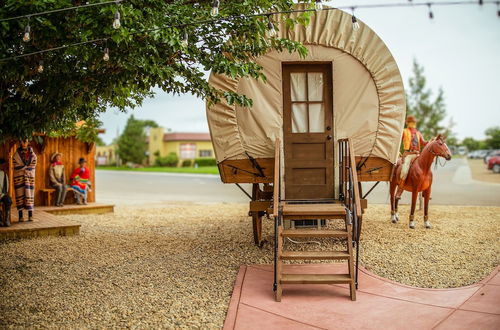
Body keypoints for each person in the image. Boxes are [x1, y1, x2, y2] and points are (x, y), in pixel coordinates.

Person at [398, 115, 428, 189]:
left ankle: (425, 187)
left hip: (417, 154)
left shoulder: (418, 133)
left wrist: (430, 142)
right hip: (408, 154)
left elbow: (423, 143)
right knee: (404, 170)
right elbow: (398, 142)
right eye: (412, 122)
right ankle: (401, 185)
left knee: (426, 168)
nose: (413, 123)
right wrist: (397, 151)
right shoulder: (404, 131)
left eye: (414, 122)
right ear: (408, 123)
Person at [13, 139, 37, 222]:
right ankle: (20, 216)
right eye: (22, 141)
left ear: (28, 142)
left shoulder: (32, 155)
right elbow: (16, 166)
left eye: (25, 141)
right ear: (20, 142)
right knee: (20, 195)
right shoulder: (16, 155)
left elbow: (33, 165)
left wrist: (24, 168)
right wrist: (25, 168)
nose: (24, 143)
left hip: (29, 177)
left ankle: (30, 215)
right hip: (19, 177)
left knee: (29, 194)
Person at [0, 158, 13, 227]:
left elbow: (6, 187)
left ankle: (6, 219)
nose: (3, 166)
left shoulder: (5, 175)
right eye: (2, 165)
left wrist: (2, 194)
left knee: (8, 200)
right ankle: (0, 219)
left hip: (2, 194)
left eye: (3, 165)